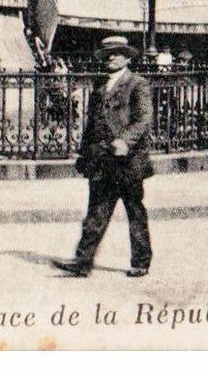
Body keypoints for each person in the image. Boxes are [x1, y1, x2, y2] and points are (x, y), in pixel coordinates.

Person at [57, 35, 154, 278]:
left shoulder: (137, 84)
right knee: (96, 211)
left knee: (134, 210)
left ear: (127, 56)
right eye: (107, 53)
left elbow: (144, 120)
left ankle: (141, 261)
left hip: (128, 161)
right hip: (102, 159)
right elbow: (92, 125)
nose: (111, 57)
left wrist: (125, 140)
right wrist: (85, 154)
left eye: (117, 52)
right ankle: (82, 261)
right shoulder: (100, 87)